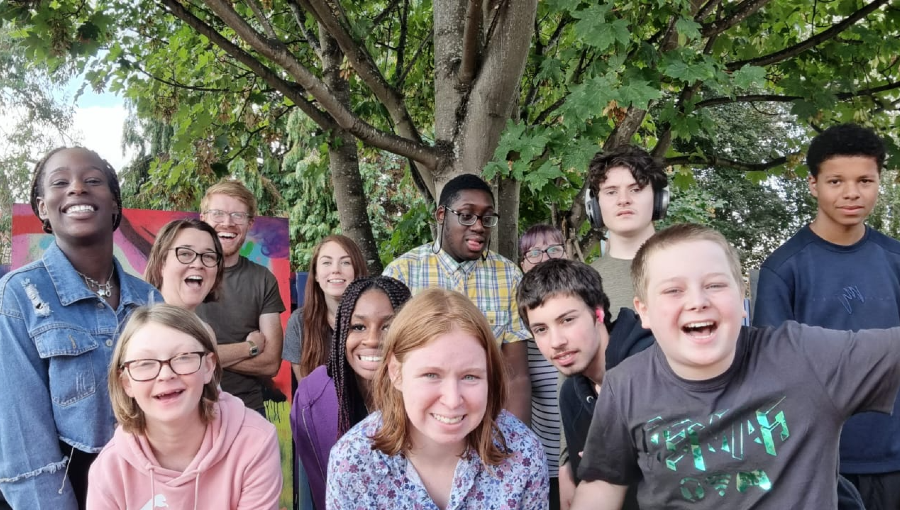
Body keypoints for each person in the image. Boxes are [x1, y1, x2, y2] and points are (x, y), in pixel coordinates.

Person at [569, 223, 900, 509]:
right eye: (673, 290)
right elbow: (604, 481)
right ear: (644, 312)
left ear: (743, 297)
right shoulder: (626, 384)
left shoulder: (805, 357)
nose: (698, 301)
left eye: (715, 285)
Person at [0, 147, 160, 509]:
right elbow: (24, 442)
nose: (77, 189)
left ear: (115, 204)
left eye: (92, 180)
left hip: (147, 489)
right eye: (60, 182)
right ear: (42, 207)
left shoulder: (149, 300)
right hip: (62, 489)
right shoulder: (19, 297)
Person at [753, 124, 900, 509]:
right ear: (813, 184)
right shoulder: (782, 270)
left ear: (879, 182)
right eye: (836, 180)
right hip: (820, 461)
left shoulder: (896, 260)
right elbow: (771, 375)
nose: (851, 192)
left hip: (894, 453)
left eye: (865, 180)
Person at [326, 288, 548, 508]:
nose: (452, 401)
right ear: (396, 372)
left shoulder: (523, 453)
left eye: (470, 376)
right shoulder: (353, 462)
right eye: (431, 375)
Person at [86, 304, 282, 509]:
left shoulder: (254, 442)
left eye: (183, 357)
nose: (166, 374)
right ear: (126, 383)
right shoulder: (109, 470)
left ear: (208, 367)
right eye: (144, 363)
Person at [383, 174, 532, 424]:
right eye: (466, 215)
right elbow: (389, 369)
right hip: (420, 424)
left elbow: (515, 376)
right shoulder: (402, 274)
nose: (478, 226)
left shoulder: (509, 276)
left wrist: (513, 444)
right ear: (441, 215)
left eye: (487, 218)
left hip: (487, 421)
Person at [518, 259, 654, 510]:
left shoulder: (653, 366)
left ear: (598, 312)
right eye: (541, 329)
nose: (556, 341)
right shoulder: (571, 396)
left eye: (567, 320)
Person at [290, 276, 411, 510]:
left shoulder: (434, 397)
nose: (373, 340)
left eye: (388, 326)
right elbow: (317, 488)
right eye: (358, 327)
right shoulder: (313, 398)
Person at [196, 180, 285, 415]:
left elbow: (271, 363)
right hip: (191, 410)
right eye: (218, 213)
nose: (227, 222)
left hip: (248, 412)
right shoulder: (183, 275)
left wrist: (205, 359)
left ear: (250, 223)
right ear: (203, 217)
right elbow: (177, 356)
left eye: (238, 215)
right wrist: (250, 347)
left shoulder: (263, 279)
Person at [585, 145, 668, 319]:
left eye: (636, 189)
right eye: (611, 192)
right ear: (594, 206)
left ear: (660, 198)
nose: (623, 200)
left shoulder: (691, 266)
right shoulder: (583, 281)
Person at [518, 224, 566, 508]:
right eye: (534, 252)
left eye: (553, 249)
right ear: (523, 264)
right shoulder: (520, 330)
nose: (545, 257)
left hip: (590, 452)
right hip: (544, 463)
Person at [282, 234, 368, 382]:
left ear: (357, 270)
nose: (335, 270)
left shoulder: (377, 320)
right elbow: (307, 391)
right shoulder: (299, 322)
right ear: (315, 274)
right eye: (327, 262)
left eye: (346, 262)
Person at [144, 218, 224, 313]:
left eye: (208, 256)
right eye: (185, 254)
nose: (198, 264)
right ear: (161, 264)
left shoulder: (203, 327)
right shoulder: (142, 325)